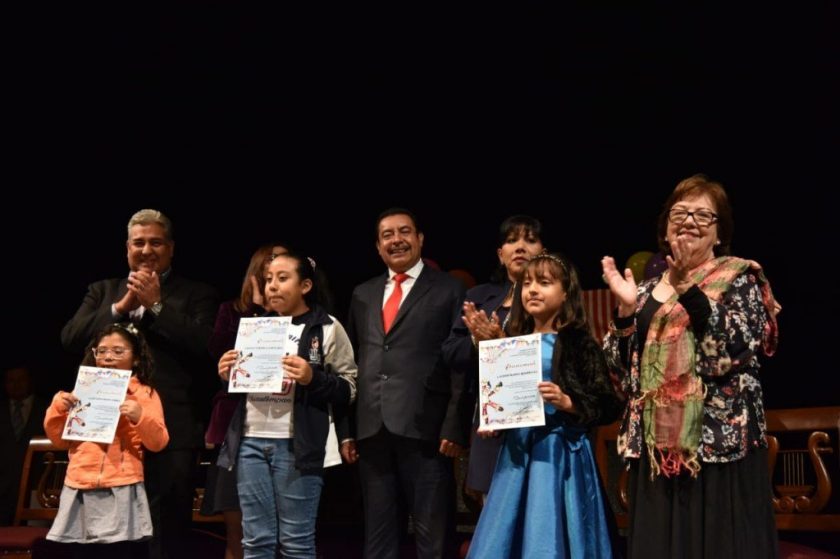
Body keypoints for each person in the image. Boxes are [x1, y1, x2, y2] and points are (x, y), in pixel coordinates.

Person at [601, 174, 780, 558]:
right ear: (665, 229)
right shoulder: (643, 291)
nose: (689, 221)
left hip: (718, 447)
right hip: (656, 449)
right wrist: (625, 314)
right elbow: (620, 374)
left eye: (703, 215)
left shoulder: (739, 277)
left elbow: (732, 350)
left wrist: (689, 291)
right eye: (679, 213)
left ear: (719, 233)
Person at [61, 209, 219, 559]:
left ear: (171, 248)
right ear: (127, 248)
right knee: (110, 533)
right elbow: (70, 338)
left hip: (171, 431)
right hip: (107, 433)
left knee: (168, 530)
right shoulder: (102, 291)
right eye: (139, 243)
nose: (147, 250)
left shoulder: (197, 294)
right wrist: (120, 308)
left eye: (156, 243)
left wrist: (156, 306)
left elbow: (207, 345)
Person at [466, 251, 621, 558]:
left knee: (550, 530)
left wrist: (569, 402)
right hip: (516, 455)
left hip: (558, 455)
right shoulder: (512, 343)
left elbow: (608, 404)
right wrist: (493, 421)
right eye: (527, 284)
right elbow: (499, 397)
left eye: (544, 283)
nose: (533, 290)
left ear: (565, 294)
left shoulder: (578, 342)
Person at [343, 208, 470, 559]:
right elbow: (350, 363)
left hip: (426, 427)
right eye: (387, 234)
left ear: (420, 239)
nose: (396, 240)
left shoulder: (449, 288)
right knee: (378, 537)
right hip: (372, 428)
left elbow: (460, 363)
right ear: (378, 246)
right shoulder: (363, 293)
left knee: (433, 536)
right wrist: (347, 430)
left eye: (405, 232)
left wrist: (454, 425)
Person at [216, 251, 357, 559]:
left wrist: (312, 378)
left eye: (282, 278)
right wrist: (228, 375)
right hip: (250, 442)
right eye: (268, 279)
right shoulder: (256, 326)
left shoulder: (326, 327)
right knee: (255, 542)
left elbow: (349, 389)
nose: (272, 286)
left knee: (296, 543)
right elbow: (244, 385)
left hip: (298, 446)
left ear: (305, 285)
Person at [441, 215, 544, 501]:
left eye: (530, 240)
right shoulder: (479, 298)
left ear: (543, 252)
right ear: (501, 255)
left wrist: (502, 343)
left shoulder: (555, 299)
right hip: (492, 425)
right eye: (511, 241)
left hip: (540, 421)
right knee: (494, 512)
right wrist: (479, 341)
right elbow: (451, 353)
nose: (520, 247)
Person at [44, 323, 169, 559]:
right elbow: (60, 441)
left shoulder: (144, 394)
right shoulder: (82, 390)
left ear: (136, 359)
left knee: (118, 552)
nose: (108, 357)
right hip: (80, 482)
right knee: (81, 552)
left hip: (121, 483)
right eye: (101, 351)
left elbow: (158, 442)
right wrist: (58, 409)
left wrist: (140, 416)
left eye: (118, 351)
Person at [204, 243, 287, 559]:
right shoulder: (231, 311)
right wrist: (256, 310)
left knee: (285, 533)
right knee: (238, 535)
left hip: (282, 426)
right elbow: (218, 353)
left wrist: (272, 312)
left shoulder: (298, 315)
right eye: (271, 263)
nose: (275, 275)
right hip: (236, 429)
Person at [0, 365, 49, 525]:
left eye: (21, 379)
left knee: (33, 534)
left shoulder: (48, 409)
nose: (16, 385)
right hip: (3, 489)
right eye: (11, 381)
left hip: (37, 488)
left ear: (30, 381)